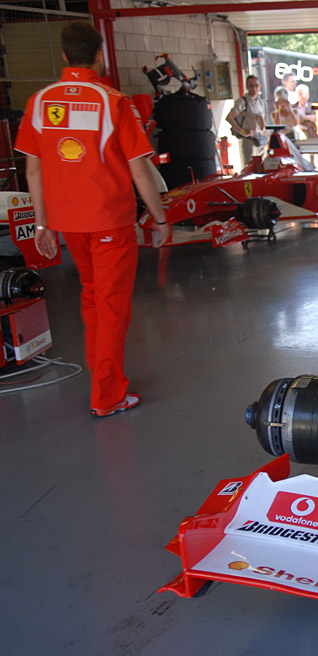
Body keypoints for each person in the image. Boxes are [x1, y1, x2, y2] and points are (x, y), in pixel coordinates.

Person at [14, 21, 170, 417]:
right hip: (109, 222)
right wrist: (159, 217)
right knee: (112, 306)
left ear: (65, 56)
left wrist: (42, 224)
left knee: (92, 299)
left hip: (68, 223)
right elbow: (139, 170)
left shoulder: (39, 101)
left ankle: (105, 382)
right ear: (99, 55)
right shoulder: (113, 102)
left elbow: (33, 171)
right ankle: (107, 395)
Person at [226, 75, 267, 165]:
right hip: (250, 139)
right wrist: (242, 131)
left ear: (260, 87)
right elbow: (229, 117)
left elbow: (263, 119)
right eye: (251, 86)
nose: (254, 88)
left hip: (260, 138)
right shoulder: (242, 101)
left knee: (263, 166)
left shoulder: (260, 102)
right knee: (251, 166)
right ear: (247, 87)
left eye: (256, 85)